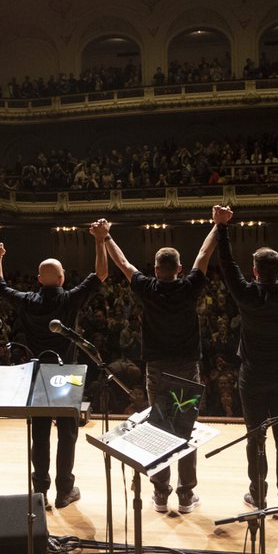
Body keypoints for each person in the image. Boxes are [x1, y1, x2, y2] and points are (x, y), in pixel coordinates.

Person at [104, 215, 219, 514]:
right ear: (180, 269)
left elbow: (123, 264)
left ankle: (159, 495)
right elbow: (204, 254)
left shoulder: (147, 287)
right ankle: (185, 497)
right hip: (186, 369)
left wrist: (105, 237)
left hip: (156, 370)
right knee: (185, 427)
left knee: (160, 427)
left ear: (155, 269)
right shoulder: (189, 285)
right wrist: (218, 224)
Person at [0, 221, 109, 510]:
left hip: (37, 373)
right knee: (67, 434)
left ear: (39, 279)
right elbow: (102, 274)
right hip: (66, 374)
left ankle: (40, 491)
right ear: (61, 278)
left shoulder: (28, 301)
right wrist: (98, 241)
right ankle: (64, 491)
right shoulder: (69, 298)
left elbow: (0, 286)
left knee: (40, 434)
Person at [216, 204, 278, 512]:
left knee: (255, 438)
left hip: (253, 378)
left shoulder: (246, 295)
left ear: (254, 272)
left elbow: (227, 264)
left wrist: (222, 227)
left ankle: (258, 494)